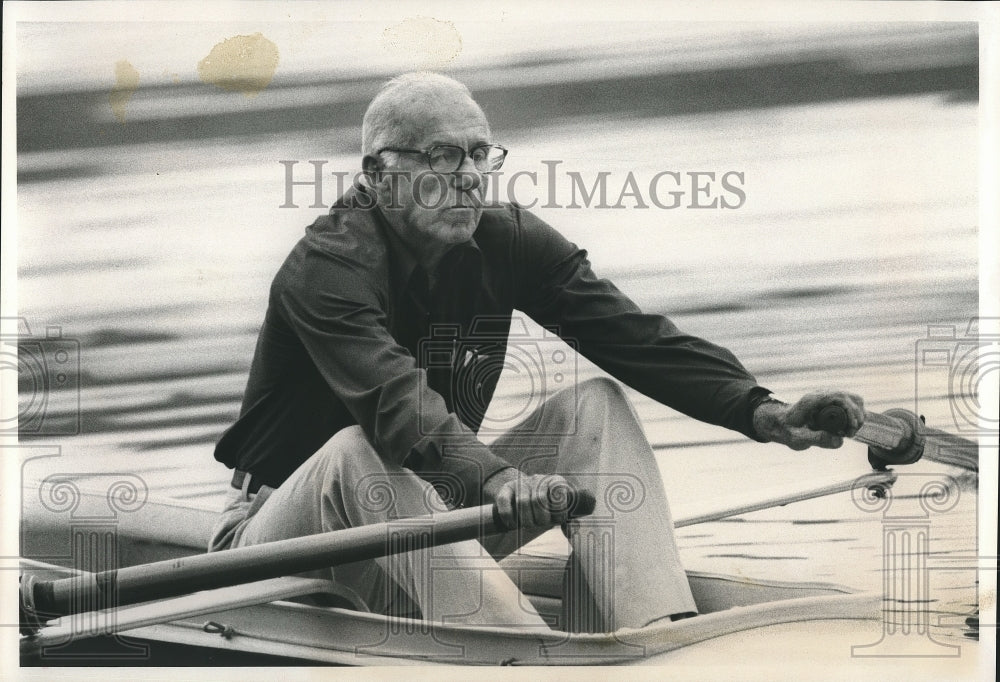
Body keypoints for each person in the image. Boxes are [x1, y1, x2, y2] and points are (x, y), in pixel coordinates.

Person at [209, 71, 865, 632]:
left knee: (593, 409)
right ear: (380, 174)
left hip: (426, 523)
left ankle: (662, 633)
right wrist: (499, 480)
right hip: (285, 552)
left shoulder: (510, 242)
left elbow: (631, 336)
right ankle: (528, 652)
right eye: (443, 156)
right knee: (356, 449)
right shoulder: (326, 268)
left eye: (479, 155)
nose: (469, 179)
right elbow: (397, 404)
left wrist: (763, 411)